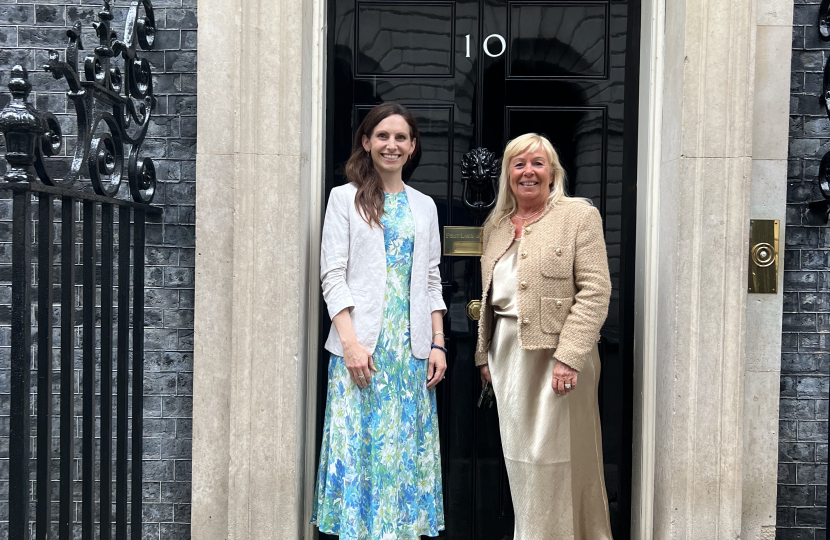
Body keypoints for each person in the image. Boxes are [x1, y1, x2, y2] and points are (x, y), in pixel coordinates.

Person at [312, 102, 447, 540]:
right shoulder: (344, 198)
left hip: (410, 355)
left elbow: (431, 278)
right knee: (362, 453)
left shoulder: (425, 206)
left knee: (401, 456)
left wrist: (438, 342)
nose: (392, 144)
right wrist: (350, 345)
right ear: (367, 142)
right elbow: (332, 275)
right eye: (383, 136)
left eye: (401, 137)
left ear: (412, 146)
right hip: (361, 351)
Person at [476, 133, 613, 540]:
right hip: (508, 356)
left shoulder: (578, 216)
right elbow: (489, 299)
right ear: (508, 174)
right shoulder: (496, 226)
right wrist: (484, 356)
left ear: (553, 173)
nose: (528, 172)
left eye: (537, 163)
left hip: (559, 356)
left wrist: (569, 357)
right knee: (522, 461)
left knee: (561, 459)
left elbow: (595, 290)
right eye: (518, 164)